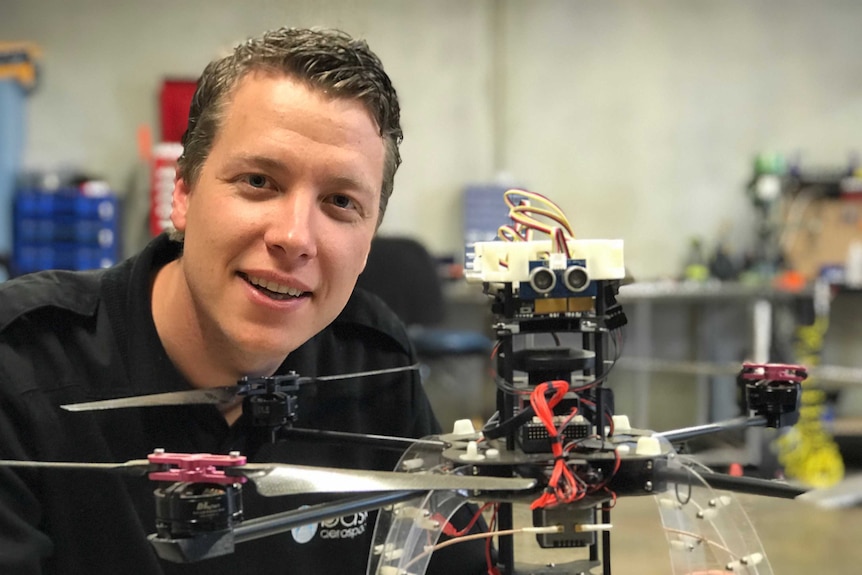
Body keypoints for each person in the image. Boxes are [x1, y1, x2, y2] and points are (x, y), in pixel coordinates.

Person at [0, 27, 489, 574]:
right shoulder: (22, 363)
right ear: (183, 193)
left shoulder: (373, 364)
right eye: (259, 180)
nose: (295, 237)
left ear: (368, 237)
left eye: (340, 201)